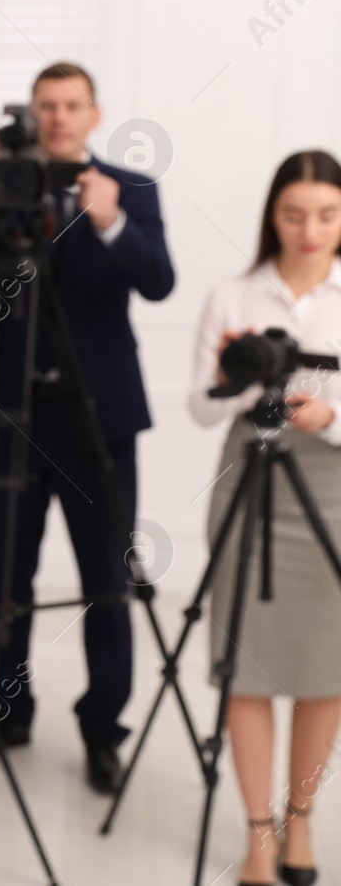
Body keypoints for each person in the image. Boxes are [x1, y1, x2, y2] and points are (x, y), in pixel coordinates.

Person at [0, 62, 174, 794]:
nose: (59, 116)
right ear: (32, 113)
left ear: (94, 114)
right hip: (10, 408)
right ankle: (8, 711)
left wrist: (111, 221)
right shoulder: (4, 180)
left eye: (71, 105)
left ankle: (103, 728)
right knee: (7, 571)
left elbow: (159, 279)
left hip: (98, 416)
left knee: (106, 578)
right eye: (47, 105)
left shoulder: (130, 188)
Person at [189, 150, 341, 886]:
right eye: (293, 213)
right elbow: (197, 406)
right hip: (248, 473)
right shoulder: (233, 294)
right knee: (245, 662)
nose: (309, 229)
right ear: (270, 215)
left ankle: (300, 821)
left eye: (327, 214)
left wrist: (330, 415)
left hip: (333, 486)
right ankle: (257, 832)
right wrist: (232, 382)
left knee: (324, 664)